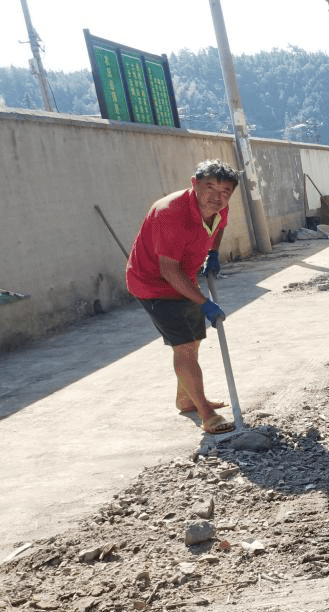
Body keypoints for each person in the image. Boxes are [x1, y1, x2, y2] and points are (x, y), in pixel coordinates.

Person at [125, 159, 238, 434]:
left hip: (183, 278)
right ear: (194, 184)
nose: (217, 196)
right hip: (154, 283)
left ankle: (186, 398)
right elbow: (168, 270)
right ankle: (206, 413)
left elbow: (219, 226)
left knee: (193, 339)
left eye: (225, 191)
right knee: (185, 345)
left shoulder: (217, 207)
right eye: (209, 187)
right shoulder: (170, 214)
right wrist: (204, 302)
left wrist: (212, 252)